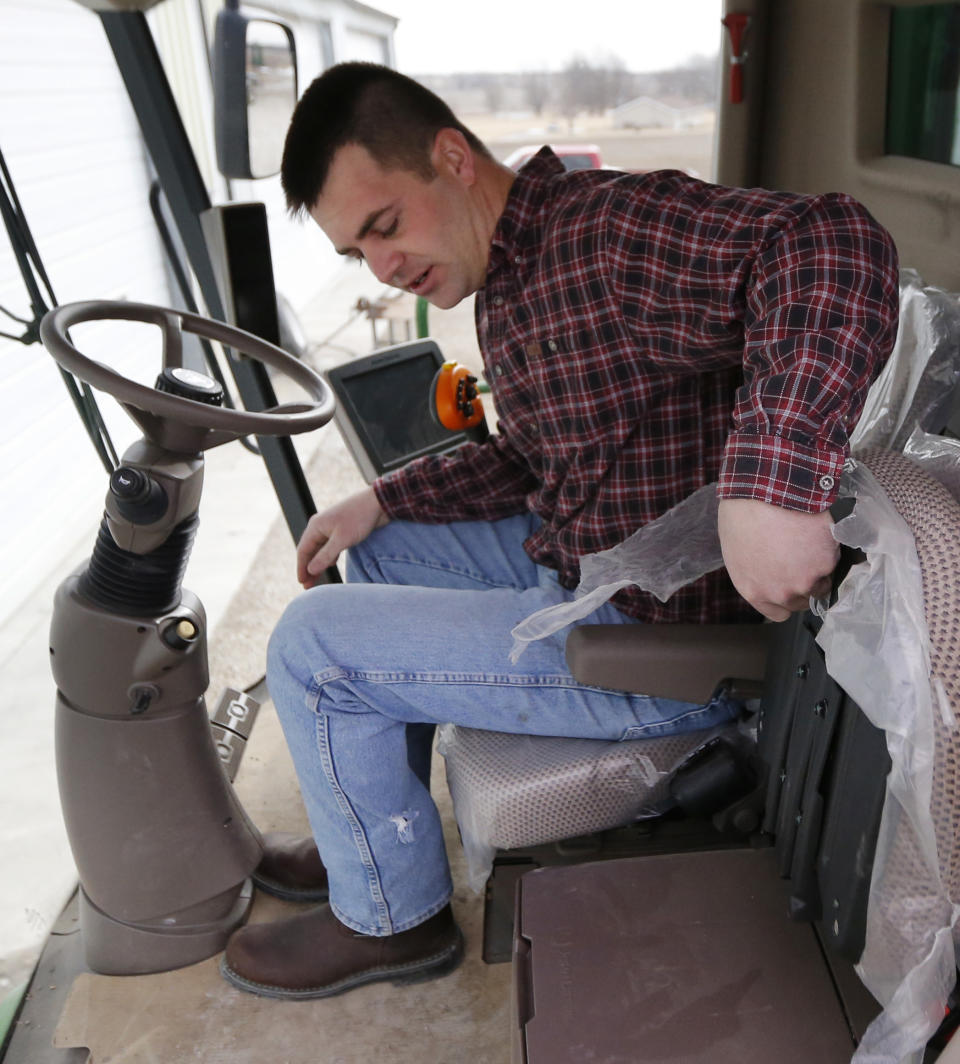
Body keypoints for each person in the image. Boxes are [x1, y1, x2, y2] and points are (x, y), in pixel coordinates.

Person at [221, 62, 899, 1000]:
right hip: (582, 560)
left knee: (310, 647)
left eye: (384, 226)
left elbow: (829, 242)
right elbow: (531, 459)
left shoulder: (604, 234)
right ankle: (381, 835)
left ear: (452, 158)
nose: (381, 267)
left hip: (652, 647)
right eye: (356, 255)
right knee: (372, 550)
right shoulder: (507, 275)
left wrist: (772, 477)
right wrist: (382, 498)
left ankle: (390, 922)